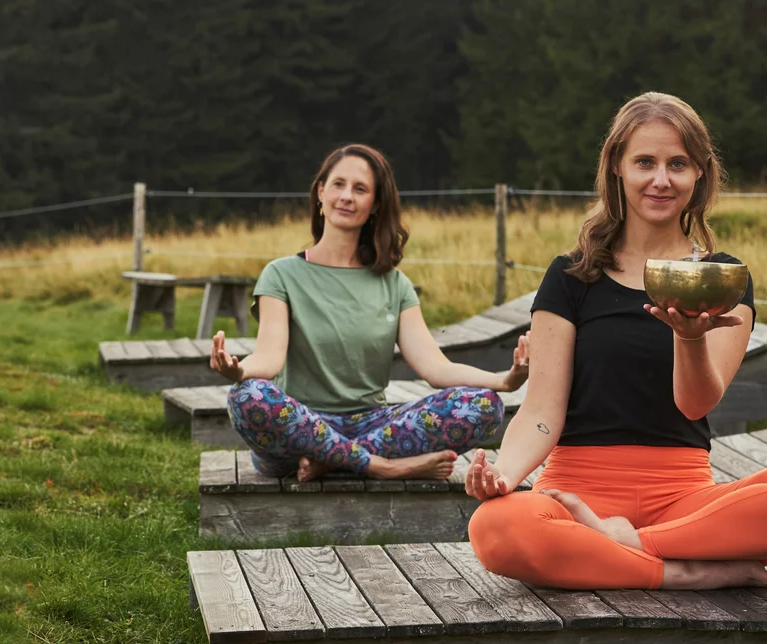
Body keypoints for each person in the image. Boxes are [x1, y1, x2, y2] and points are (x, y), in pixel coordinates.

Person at [462, 93, 767, 591]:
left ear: (700, 174)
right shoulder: (570, 277)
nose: (661, 180)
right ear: (617, 167)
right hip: (575, 491)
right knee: (495, 528)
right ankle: (681, 571)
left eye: (678, 164)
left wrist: (689, 339)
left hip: (683, 497)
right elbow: (541, 409)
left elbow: (695, 405)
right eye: (644, 162)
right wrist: (504, 473)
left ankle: (622, 548)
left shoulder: (723, 279)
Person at [208, 143, 531, 482]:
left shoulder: (395, 285)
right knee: (248, 396)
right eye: (338, 184)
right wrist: (238, 370)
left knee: (483, 405)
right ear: (320, 192)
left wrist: (504, 381)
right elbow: (269, 359)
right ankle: (379, 466)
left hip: (373, 425)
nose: (347, 196)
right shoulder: (281, 274)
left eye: (360, 189)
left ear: (375, 204)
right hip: (297, 428)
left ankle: (333, 461)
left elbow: (435, 368)